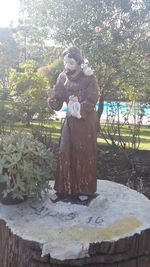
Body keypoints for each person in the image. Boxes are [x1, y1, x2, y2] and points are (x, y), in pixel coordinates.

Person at [48, 46, 99, 202]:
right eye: (65, 62)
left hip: (85, 122)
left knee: (83, 153)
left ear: (78, 63)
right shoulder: (62, 77)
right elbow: (58, 100)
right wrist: (52, 99)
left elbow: (92, 99)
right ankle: (65, 188)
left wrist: (78, 108)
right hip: (70, 122)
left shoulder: (89, 78)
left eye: (70, 62)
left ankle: (84, 188)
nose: (67, 66)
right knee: (65, 151)